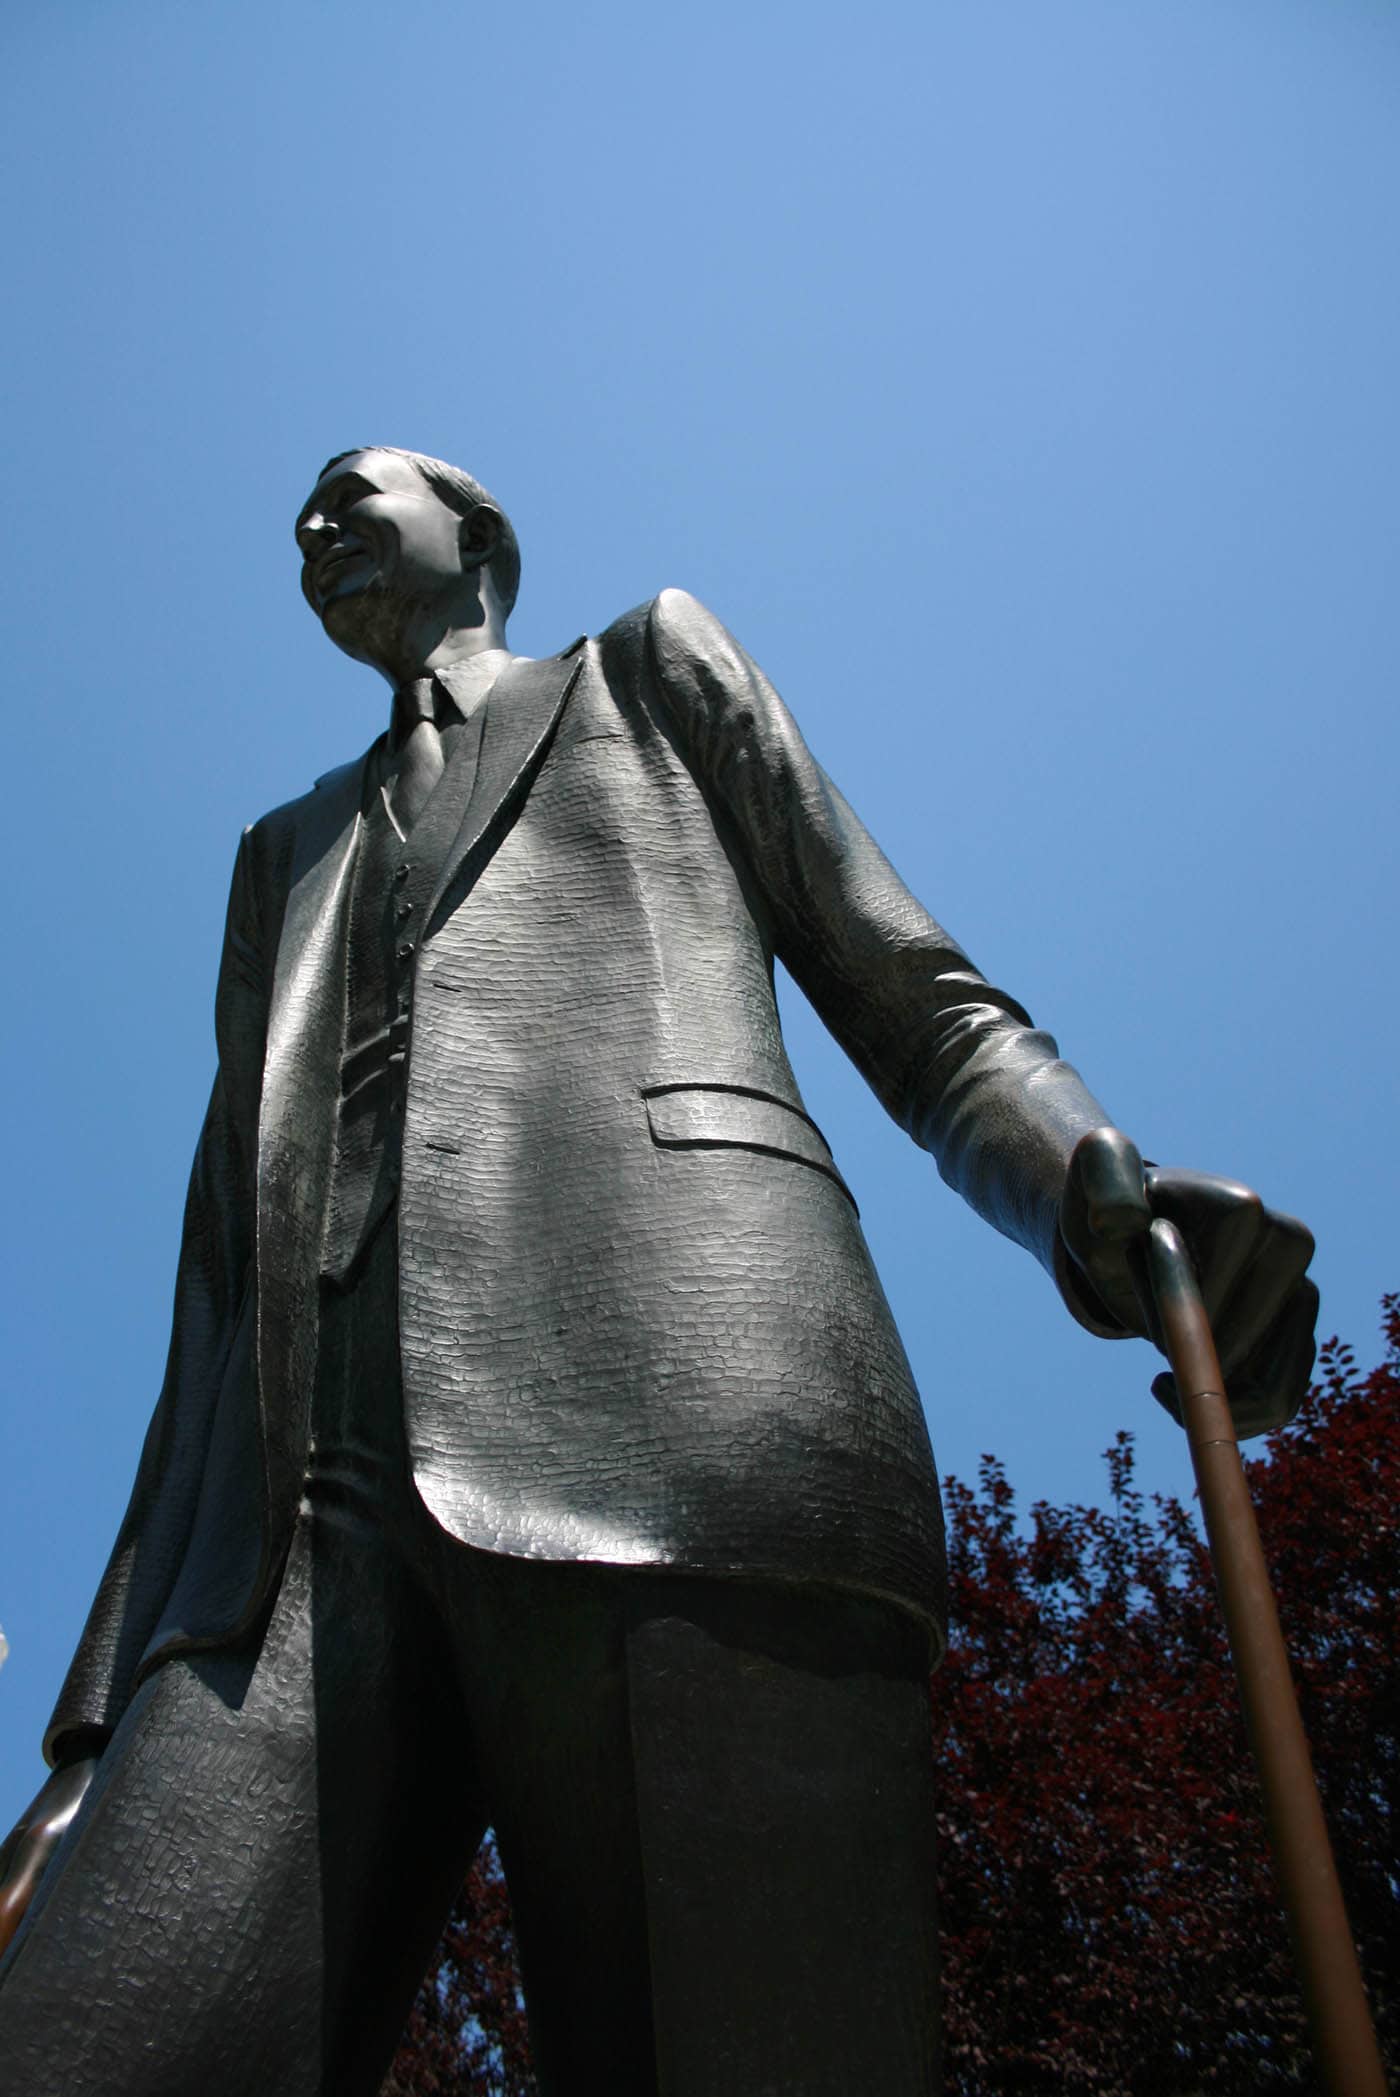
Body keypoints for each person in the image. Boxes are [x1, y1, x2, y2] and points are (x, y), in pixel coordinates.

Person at [0, 447, 1317, 2096]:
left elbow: (920, 998)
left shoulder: (648, 669)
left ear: (478, 533)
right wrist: (87, 1738)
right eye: (294, 523)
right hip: (288, 1550)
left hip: (677, 1402)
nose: (314, 528)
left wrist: (1090, 1193)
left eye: (353, 493)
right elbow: (210, 1303)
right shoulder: (283, 858)